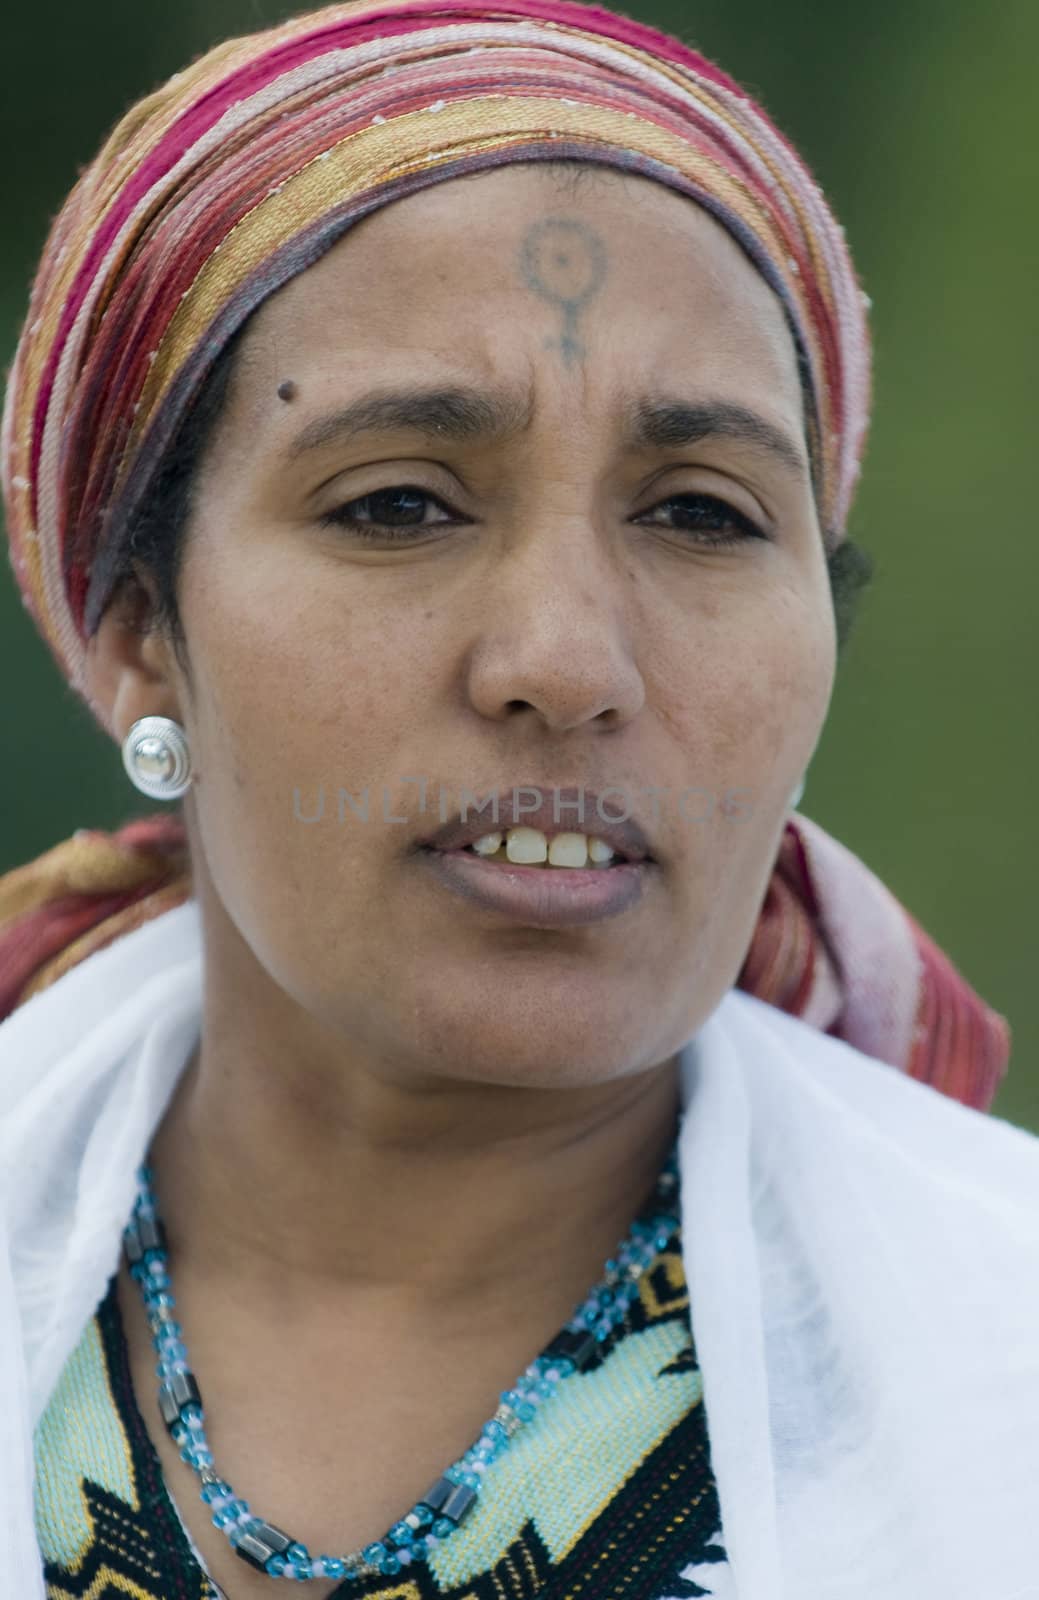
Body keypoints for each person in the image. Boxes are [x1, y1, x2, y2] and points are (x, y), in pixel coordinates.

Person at [1, 2, 1036, 1597]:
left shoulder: (999, 1376)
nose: (565, 660)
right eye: (399, 501)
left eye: (702, 514)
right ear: (145, 637)